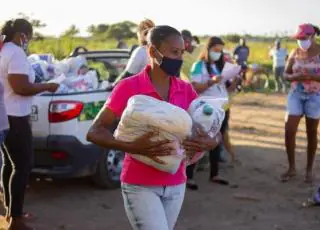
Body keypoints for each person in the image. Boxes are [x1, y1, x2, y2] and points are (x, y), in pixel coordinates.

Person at [86, 25, 221, 230]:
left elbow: (212, 131)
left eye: (181, 53)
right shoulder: (128, 87)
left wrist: (211, 142)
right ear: (152, 52)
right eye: (173, 52)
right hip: (140, 184)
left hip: (176, 183)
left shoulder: (185, 90)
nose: (179, 58)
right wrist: (132, 147)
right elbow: (95, 131)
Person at [0, 19, 59, 230]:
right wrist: (47, 86)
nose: (29, 41)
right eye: (29, 36)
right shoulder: (15, 53)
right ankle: (16, 219)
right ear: (21, 35)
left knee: (10, 164)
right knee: (22, 166)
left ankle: (11, 210)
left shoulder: (4, 49)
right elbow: (21, 87)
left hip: (5, 115)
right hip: (16, 116)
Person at [187, 36, 239, 190]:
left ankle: (214, 174)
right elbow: (195, 87)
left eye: (220, 50)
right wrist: (212, 81)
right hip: (205, 109)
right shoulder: (198, 66)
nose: (218, 53)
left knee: (218, 140)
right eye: (216, 50)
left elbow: (225, 89)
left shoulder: (218, 66)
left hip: (222, 108)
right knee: (198, 140)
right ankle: (189, 176)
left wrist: (235, 80)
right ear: (208, 49)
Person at [281, 23, 320, 183]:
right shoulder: (294, 52)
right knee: (289, 130)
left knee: (311, 133)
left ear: (313, 37)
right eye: (298, 38)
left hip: (315, 95)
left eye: (303, 38)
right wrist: (293, 78)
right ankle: (291, 168)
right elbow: (286, 73)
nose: (300, 41)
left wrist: (311, 77)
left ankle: (309, 170)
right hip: (296, 93)